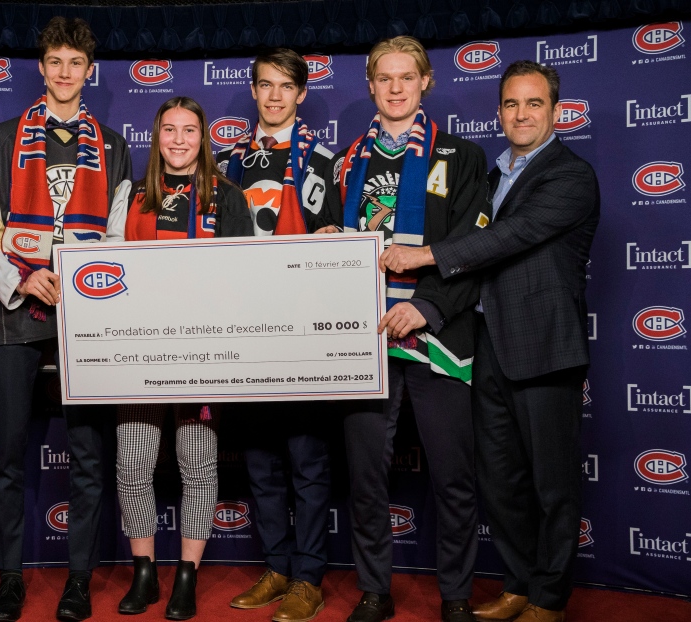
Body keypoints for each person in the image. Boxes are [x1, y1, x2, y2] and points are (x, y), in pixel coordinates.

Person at [379, 61, 599, 622]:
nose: (521, 114)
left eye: (533, 104)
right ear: (499, 109)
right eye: (511, 104)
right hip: (486, 347)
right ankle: (519, 583)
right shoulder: (493, 174)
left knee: (552, 485)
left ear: (555, 110)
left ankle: (549, 598)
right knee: (500, 482)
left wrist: (425, 256)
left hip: (545, 349)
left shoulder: (570, 176)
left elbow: (508, 236)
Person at [321, 35, 491, 622]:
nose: (395, 88)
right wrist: (319, 248)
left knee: (454, 478)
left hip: (437, 339)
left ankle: (457, 596)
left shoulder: (462, 158)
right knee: (366, 479)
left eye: (406, 78)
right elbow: (324, 247)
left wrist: (428, 307)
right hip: (363, 339)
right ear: (369, 84)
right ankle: (375, 588)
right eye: (384, 78)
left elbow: (474, 250)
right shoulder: (345, 161)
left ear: (426, 83)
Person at [0, 16, 132, 622]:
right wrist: (23, 276)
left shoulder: (113, 145)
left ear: (89, 72)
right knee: (8, 453)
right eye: (55, 63)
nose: (65, 73)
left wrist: (86, 286)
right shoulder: (2, 136)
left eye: (76, 64)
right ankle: (9, 578)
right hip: (16, 310)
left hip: (83, 316)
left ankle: (79, 579)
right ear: (41, 68)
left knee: (89, 457)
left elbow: (116, 237)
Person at [115, 96, 252, 621]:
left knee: (198, 467)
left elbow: (242, 282)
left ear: (202, 138)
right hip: (140, 355)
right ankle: (145, 573)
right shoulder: (134, 200)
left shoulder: (230, 198)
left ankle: (187, 575)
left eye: (188, 131)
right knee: (133, 465)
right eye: (168, 130)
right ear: (157, 138)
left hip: (203, 356)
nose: (178, 140)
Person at [215, 48, 335, 622]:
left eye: (286, 86)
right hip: (245, 331)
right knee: (261, 461)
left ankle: (309, 576)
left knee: (307, 460)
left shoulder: (325, 160)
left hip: (302, 332)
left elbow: (337, 241)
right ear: (255, 91)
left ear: (302, 93)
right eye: (265, 85)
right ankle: (278, 566)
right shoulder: (227, 163)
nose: (275, 96)